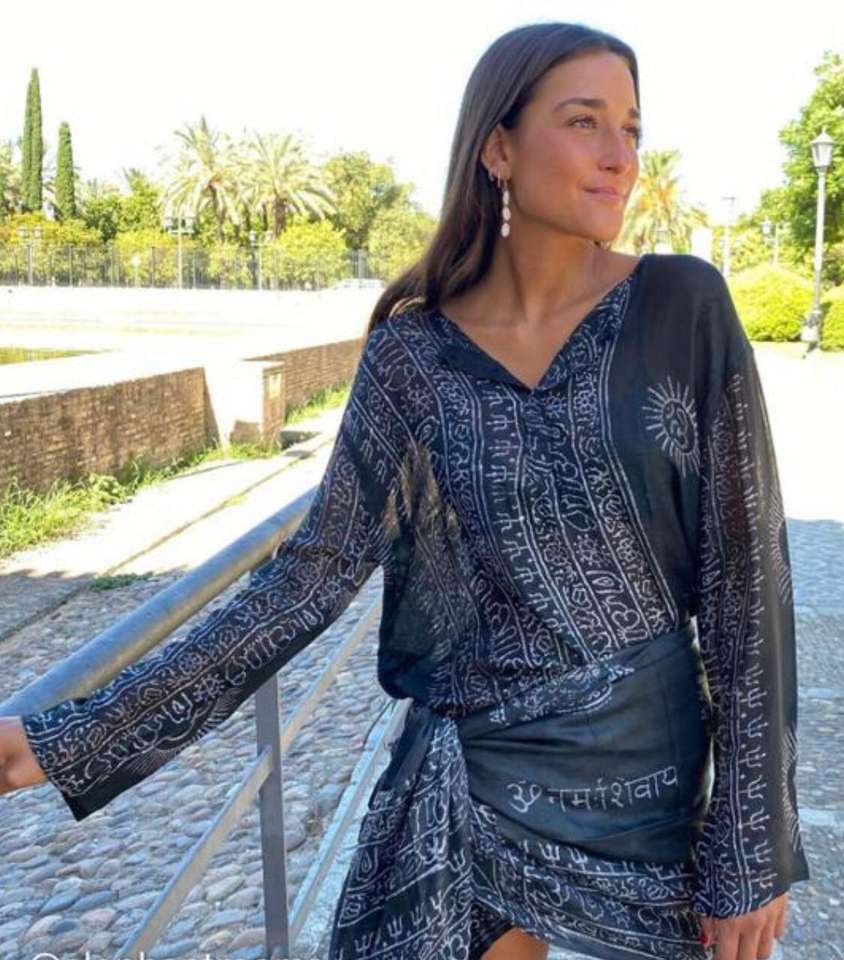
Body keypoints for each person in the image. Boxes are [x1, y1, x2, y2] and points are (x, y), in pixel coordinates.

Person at [0, 21, 810, 960]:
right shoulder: (413, 355)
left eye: (631, 128)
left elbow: (748, 584)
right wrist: (65, 738)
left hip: (644, 784)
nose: (619, 157)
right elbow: (307, 578)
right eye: (584, 122)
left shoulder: (683, 306)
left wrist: (750, 846)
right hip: (473, 776)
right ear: (497, 148)